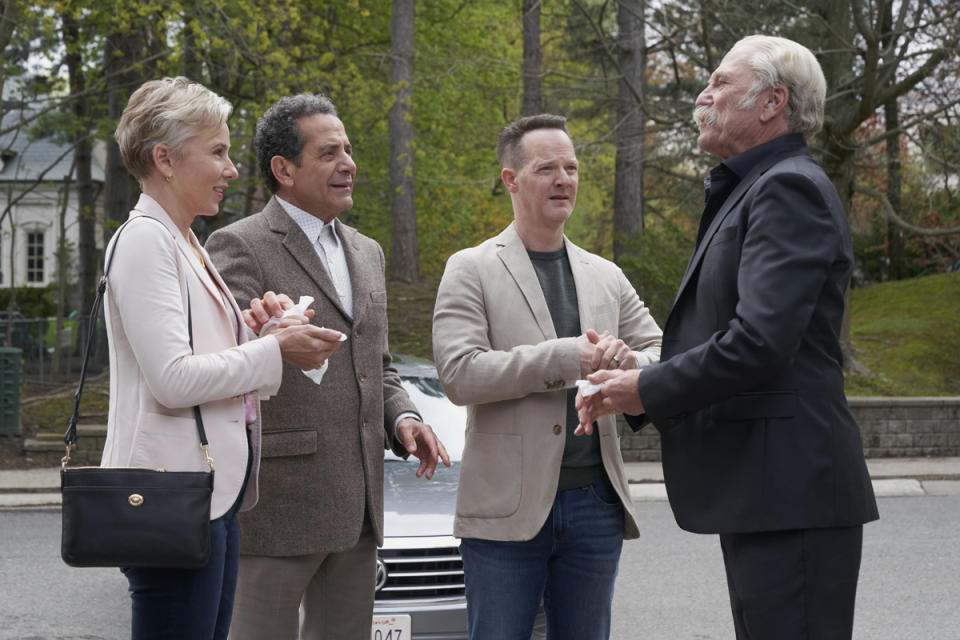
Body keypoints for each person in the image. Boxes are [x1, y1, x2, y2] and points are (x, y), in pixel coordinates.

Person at [576, 35, 879, 640]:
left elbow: (761, 343)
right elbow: (734, 334)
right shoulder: (755, 186)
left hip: (791, 496)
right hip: (770, 494)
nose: (702, 96)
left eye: (719, 83)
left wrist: (647, 387)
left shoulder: (787, 187)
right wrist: (639, 366)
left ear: (772, 102)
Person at [205, 94, 450, 640]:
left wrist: (404, 420)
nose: (349, 163)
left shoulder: (367, 252)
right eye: (329, 152)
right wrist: (268, 335)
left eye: (349, 149)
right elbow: (223, 363)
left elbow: (378, 366)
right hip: (277, 511)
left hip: (360, 509)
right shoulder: (237, 245)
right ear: (283, 170)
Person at [103, 77, 340, 640]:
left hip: (211, 496)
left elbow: (210, 364)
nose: (233, 169)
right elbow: (173, 379)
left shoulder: (185, 241)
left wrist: (267, 331)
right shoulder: (145, 240)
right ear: (165, 158)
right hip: (170, 497)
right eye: (217, 152)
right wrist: (271, 349)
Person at [432, 114, 663, 640]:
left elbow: (661, 352)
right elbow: (459, 375)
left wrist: (633, 365)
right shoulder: (469, 267)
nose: (564, 179)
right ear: (511, 180)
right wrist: (563, 358)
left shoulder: (607, 274)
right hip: (505, 508)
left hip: (597, 504)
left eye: (572, 167)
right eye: (547, 168)